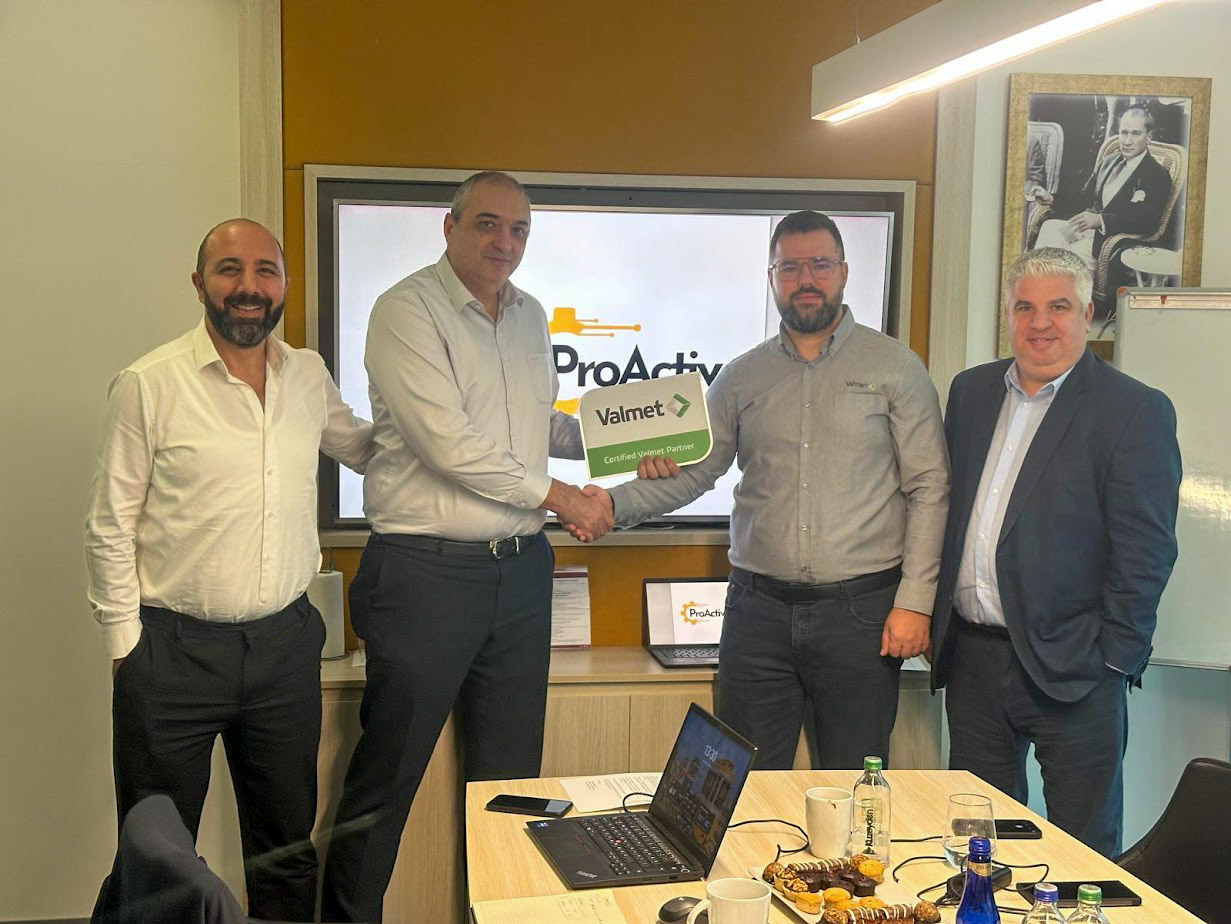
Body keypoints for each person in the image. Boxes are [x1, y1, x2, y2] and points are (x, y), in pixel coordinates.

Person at [321, 171, 609, 921]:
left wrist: (631, 437)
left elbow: (535, 427)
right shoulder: (405, 311)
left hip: (520, 576)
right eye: (487, 223)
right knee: (385, 782)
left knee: (511, 787)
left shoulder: (529, 315)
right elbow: (449, 444)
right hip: (426, 576)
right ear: (449, 227)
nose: (503, 242)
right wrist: (562, 498)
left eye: (518, 230)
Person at [584, 209, 950, 770]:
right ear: (772, 277)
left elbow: (930, 488)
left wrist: (915, 602)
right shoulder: (740, 376)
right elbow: (697, 472)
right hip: (756, 615)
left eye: (820, 264)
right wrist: (612, 503)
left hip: (862, 617)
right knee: (738, 784)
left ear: (844, 271)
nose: (806, 280)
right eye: (790, 268)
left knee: (853, 785)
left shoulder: (896, 368)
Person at [85, 218, 374, 921]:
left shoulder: (307, 375)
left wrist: (460, 435)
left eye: (265, 271)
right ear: (199, 284)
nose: (249, 287)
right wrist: (128, 649)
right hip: (172, 654)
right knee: (158, 856)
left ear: (284, 285)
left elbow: (370, 452)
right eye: (229, 270)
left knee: (285, 850)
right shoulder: (149, 384)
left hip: (283, 648)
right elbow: (109, 524)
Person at [930, 247, 1181, 857]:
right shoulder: (970, 392)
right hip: (975, 662)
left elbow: (1147, 549)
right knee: (976, 846)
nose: (1040, 323)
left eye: (1058, 307)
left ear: (1088, 314)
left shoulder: (1134, 409)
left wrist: (1114, 661)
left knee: (1083, 852)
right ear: (1008, 315)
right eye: (1025, 308)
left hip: (1077, 667)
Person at [1033, 107, 1172, 273]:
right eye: (1123, 133)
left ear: (1149, 137)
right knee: (1049, 229)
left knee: (1065, 262)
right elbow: (1084, 198)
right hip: (1087, 233)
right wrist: (1051, 198)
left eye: (1136, 134)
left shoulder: (1156, 174)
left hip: (1113, 243)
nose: (1127, 141)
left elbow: (1146, 221)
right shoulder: (1109, 162)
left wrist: (1101, 220)